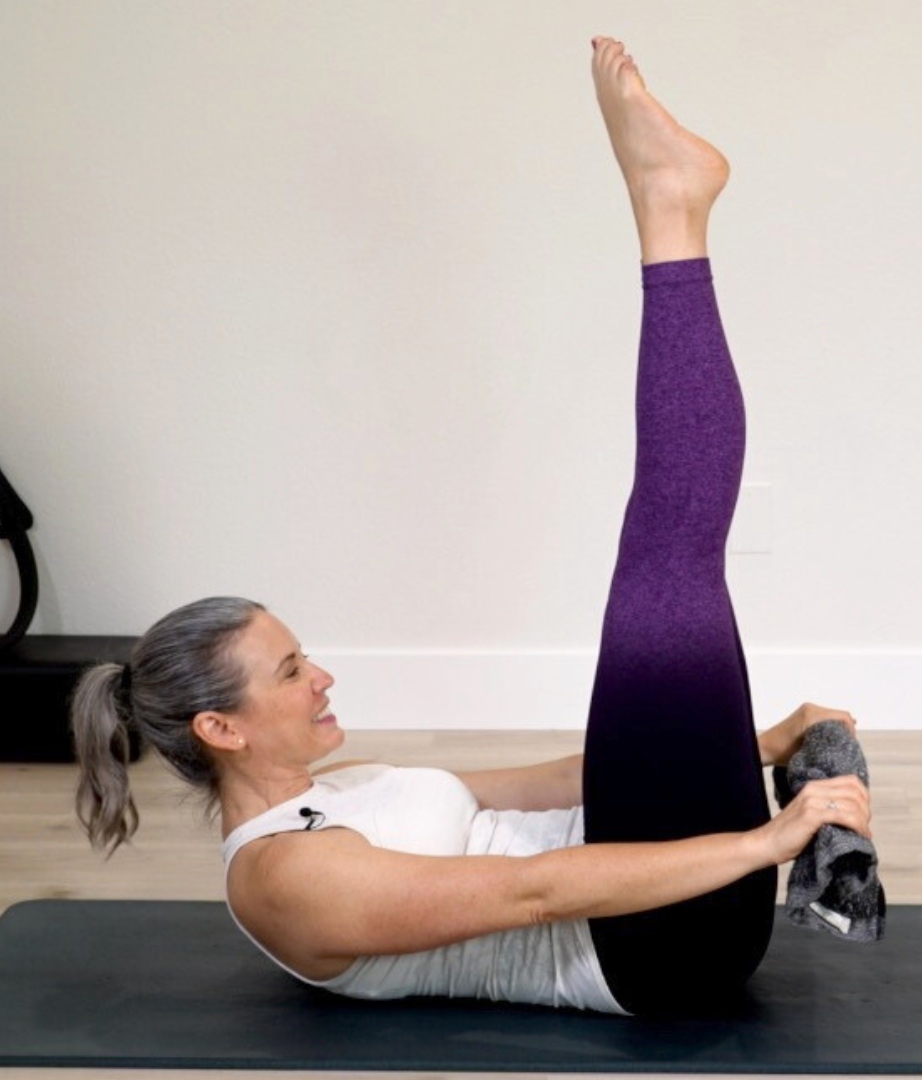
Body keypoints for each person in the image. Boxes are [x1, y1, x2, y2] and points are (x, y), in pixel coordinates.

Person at [71, 36, 871, 1017]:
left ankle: (671, 206)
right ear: (219, 728)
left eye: (303, 655)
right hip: (660, 947)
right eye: (289, 673)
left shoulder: (343, 787)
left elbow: (551, 783)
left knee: (669, 557)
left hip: (651, 857)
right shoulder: (283, 879)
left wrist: (755, 744)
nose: (321, 675)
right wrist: (767, 842)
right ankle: (670, 208)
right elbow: (531, 891)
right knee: (669, 557)